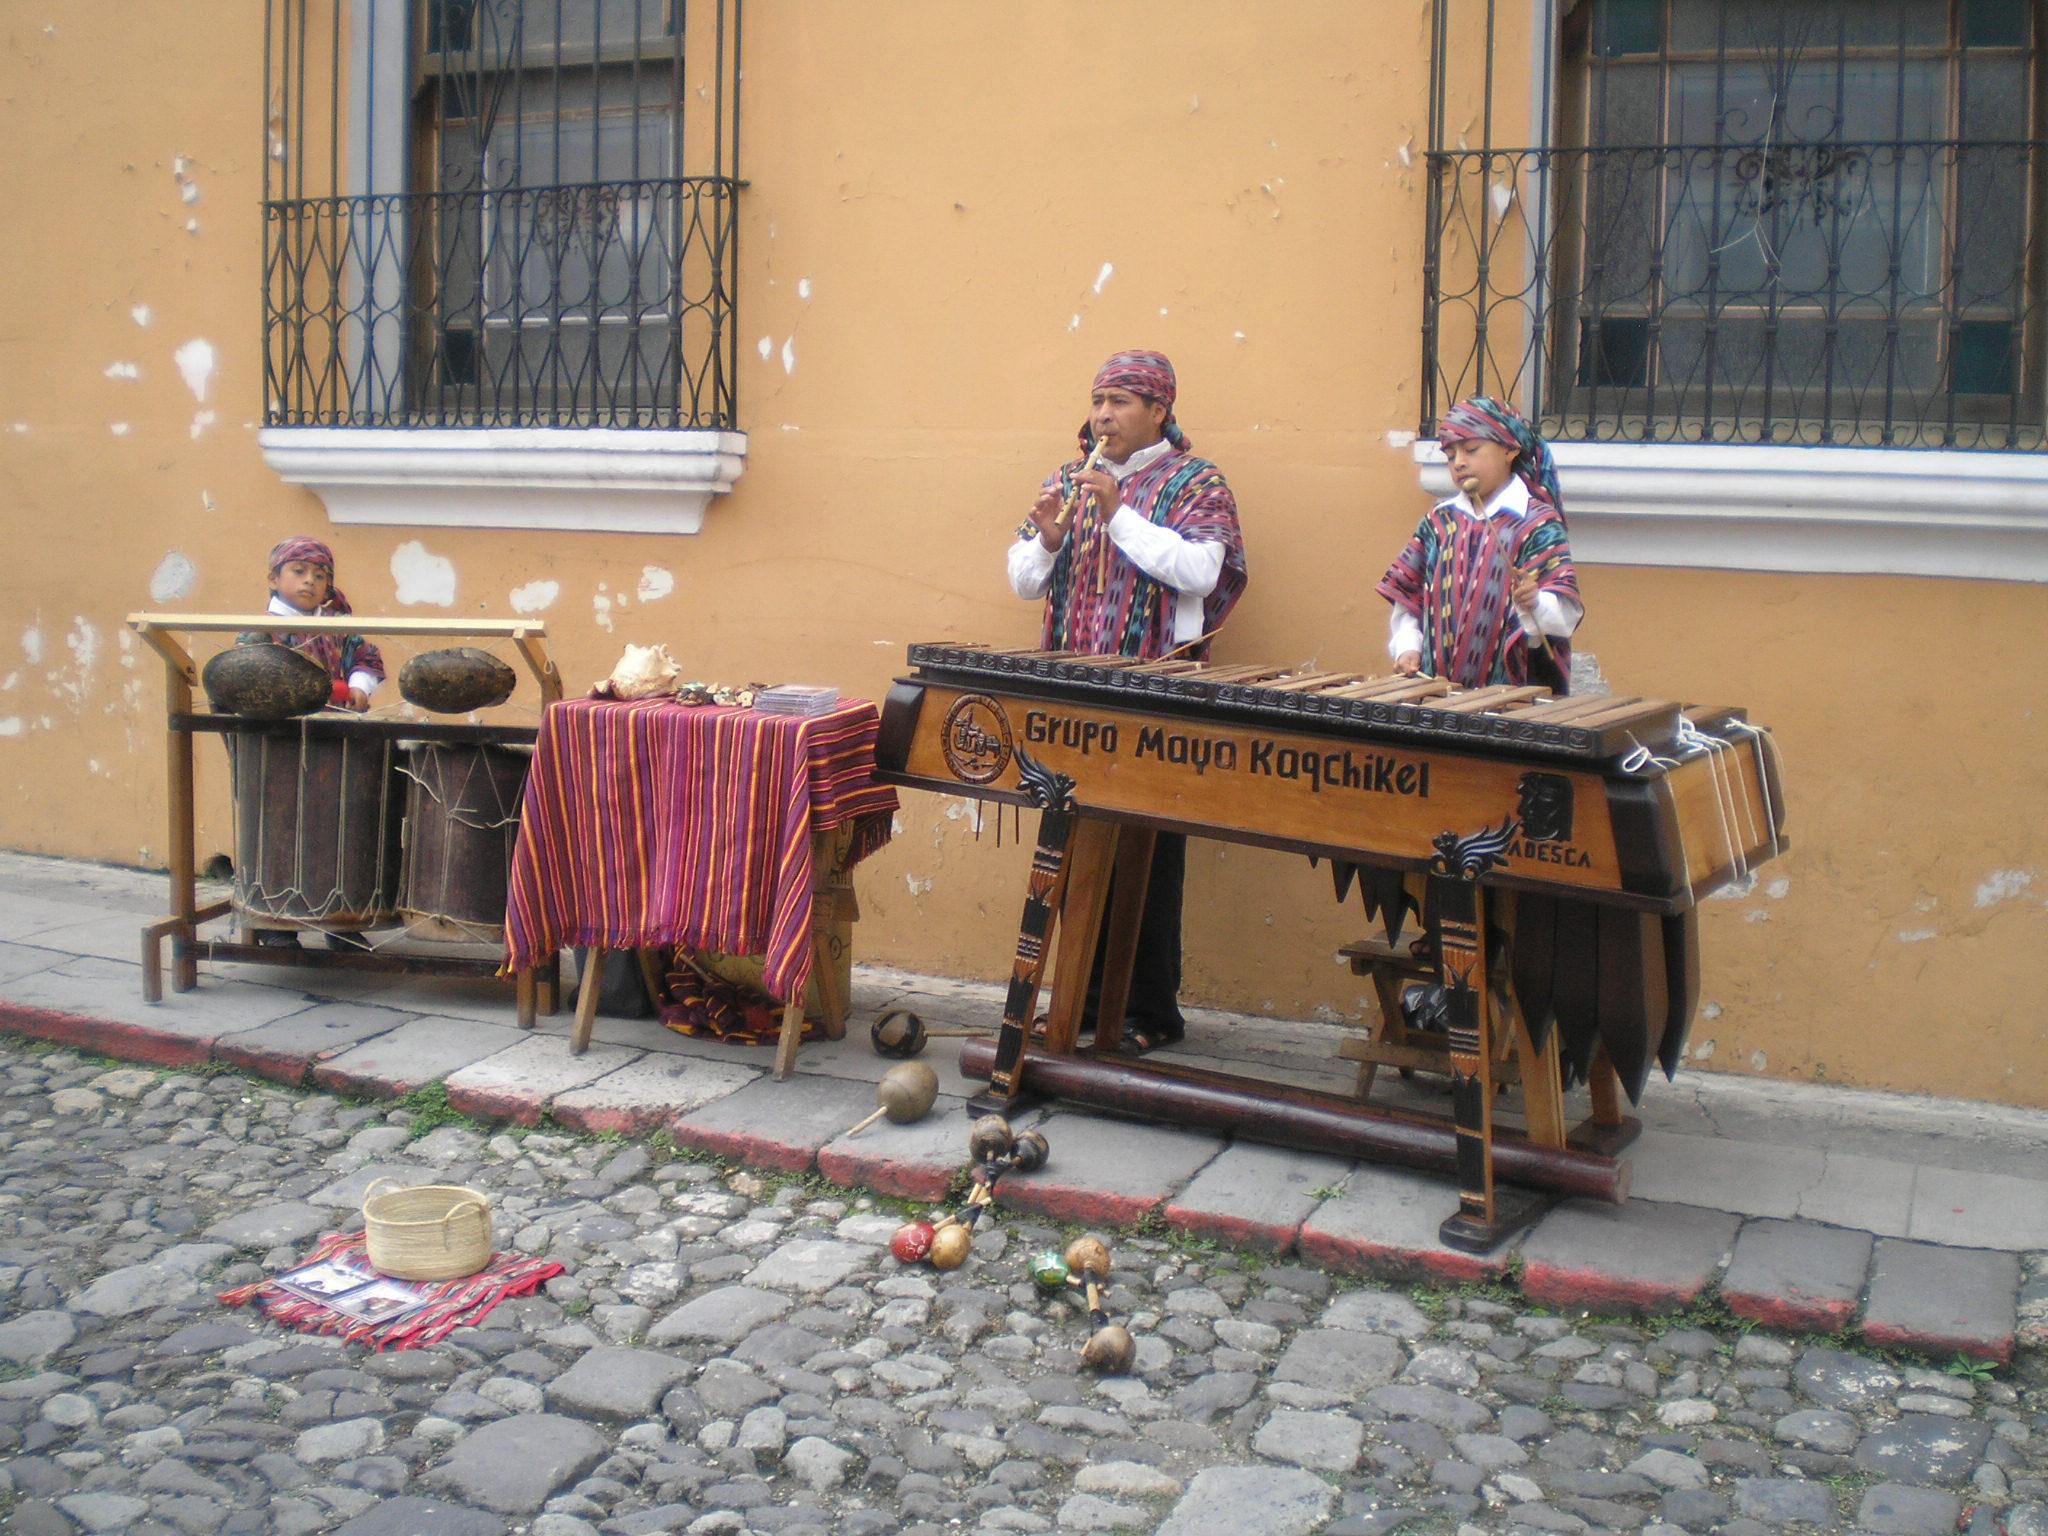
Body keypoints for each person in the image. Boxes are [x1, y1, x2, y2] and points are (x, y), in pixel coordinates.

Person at [1007, 349, 1248, 1053]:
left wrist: (1119, 519)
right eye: (1097, 400)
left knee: (1149, 849)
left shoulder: (1197, 481)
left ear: (1159, 412)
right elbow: (1023, 579)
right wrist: (1048, 542)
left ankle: (1149, 1012)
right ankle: (1079, 1001)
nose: (1103, 415)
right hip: (1077, 687)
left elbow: (1204, 571)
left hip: (1155, 692)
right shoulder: (1069, 478)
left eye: (1119, 401)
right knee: (1076, 840)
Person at [1378, 396, 1579, 694]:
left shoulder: (1538, 524)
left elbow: (1564, 615)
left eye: (1471, 450)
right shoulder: (1438, 522)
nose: (1459, 462)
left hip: (1513, 702)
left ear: (1510, 449)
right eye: (1450, 455)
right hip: (1439, 695)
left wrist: (1535, 601)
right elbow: (1409, 600)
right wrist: (1408, 647)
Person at [251, 536, 384, 710]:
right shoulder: (261, 629)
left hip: (337, 728)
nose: (310, 580)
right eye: (299, 571)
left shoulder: (338, 627)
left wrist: (360, 687)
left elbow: (367, 658)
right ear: (273, 580)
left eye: (319, 576)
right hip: (281, 729)